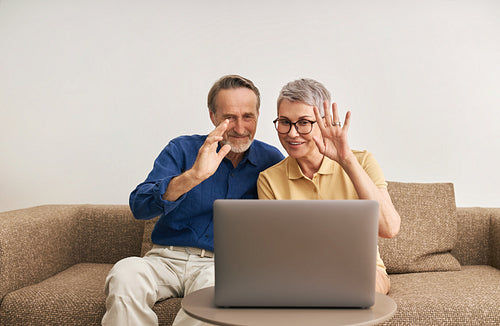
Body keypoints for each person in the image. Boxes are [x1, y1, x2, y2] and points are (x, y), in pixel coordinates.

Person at [102, 75, 284, 326]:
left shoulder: (271, 159)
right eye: (229, 117)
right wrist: (194, 176)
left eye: (248, 116)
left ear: (258, 114)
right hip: (164, 259)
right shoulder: (182, 149)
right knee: (125, 274)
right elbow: (139, 207)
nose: (240, 128)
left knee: (217, 293)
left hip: (219, 267)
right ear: (212, 117)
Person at [257, 78, 401, 294]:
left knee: (354, 289)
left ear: (324, 123)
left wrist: (346, 160)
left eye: (304, 122)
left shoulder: (361, 162)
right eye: (285, 121)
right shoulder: (269, 179)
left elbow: (389, 228)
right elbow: (277, 251)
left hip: (362, 271)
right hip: (300, 273)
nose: (292, 133)